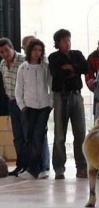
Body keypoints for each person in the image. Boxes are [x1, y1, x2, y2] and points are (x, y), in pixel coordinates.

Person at [47, 29, 89, 179]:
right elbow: (56, 73)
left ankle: (82, 166)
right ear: (58, 43)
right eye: (64, 40)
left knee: (80, 133)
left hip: (77, 95)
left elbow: (86, 67)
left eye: (69, 40)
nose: (68, 43)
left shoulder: (77, 54)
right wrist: (73, 69)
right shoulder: (53, 57)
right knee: (59, 134)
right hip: (60, 96)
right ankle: (59, 168)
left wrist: (70, 68)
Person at [14, 39, 52, 180]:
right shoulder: (23, 68)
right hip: (28, 108)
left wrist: (50, 104)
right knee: (30, 137)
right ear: (29, 51)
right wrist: (22, 106)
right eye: (35, 50)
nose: (37, 53)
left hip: (43, 107)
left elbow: (50, 85)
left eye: (40, 50)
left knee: (39, 136)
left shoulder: (45, 67)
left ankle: (40, 168)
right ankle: (33, 168)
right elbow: (19, 89)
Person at [0, 37, 27, 176]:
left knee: (27, 134)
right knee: (17, 136)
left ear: (12, 48)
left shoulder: (23, 60)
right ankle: (20, 165)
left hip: (24, 102)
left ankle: (30, 166)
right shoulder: (2, 64)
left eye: (7, 50)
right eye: (1, 52)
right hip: (12, 102)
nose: (5, 54)